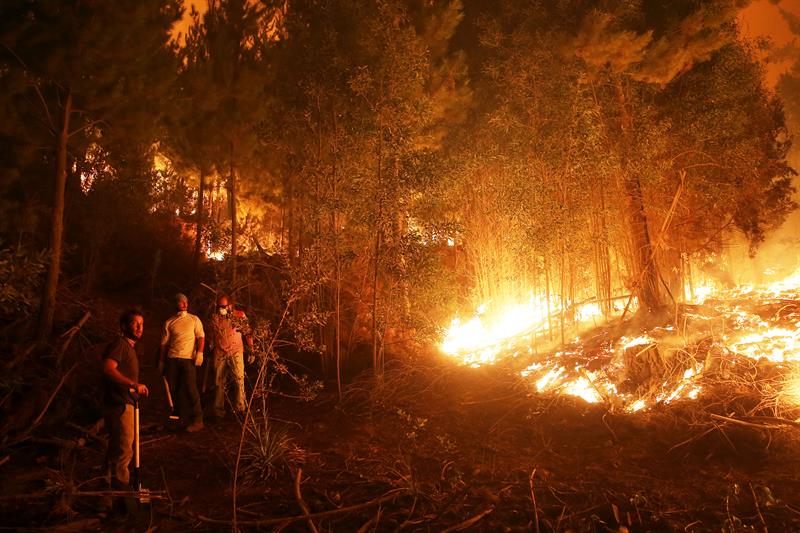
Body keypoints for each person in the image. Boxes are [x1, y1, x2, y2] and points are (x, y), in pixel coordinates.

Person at [101, 309, 149, 506]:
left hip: (124, 402)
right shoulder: (120, 345)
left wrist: (133, 388)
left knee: (116, 451)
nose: (139, 327)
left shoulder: (129, 348)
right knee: (123, 452)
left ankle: (106, 498)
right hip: (119, 405)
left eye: (141, 324)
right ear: (123, 326)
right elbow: (107, 368)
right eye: (134, 323)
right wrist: (132, 385)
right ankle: (121, 499)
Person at [159, 293, 205, 432]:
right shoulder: (169, 322)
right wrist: (161, 362)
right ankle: (178, 419)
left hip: (188, 359)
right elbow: (164, 345)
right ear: (176, 304)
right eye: (181, 302)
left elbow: (201, 337)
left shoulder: (194, 319)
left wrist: (200, 353)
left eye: (186, 302)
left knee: (191, 389)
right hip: (172, 359)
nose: (184, 304)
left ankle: (198, 420)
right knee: (173, 389)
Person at [208, 294, 253, 417]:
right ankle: (218, 412)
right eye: (219, 306)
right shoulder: (215, 318)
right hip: (220, 353)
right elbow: (211, 335)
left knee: (239, 380)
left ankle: (240, 409)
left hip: (236, 352)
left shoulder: (239, 315)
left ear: (230, 306)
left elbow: (247, 333)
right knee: (218, 383)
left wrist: (251, 350)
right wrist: (210, 346)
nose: (220, 308)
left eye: (223, 306)